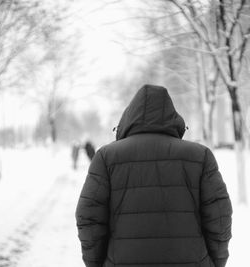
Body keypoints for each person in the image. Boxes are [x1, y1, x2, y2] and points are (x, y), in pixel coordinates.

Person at [75, 84, 232, 267]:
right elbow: (220, 216)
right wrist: (215, 262)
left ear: (128, 118)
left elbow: (88, 216)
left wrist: (97, 263)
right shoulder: (200, 156)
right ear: (172, 118)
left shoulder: (106, 157)